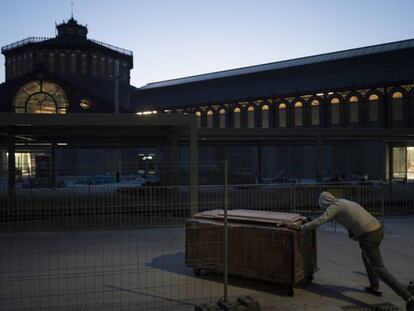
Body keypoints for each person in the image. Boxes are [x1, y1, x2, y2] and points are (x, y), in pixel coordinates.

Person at [288, 191, 414, 311]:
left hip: (368, 235)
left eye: (322, 207)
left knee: (379, 269)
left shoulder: (334, 207)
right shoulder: (342, 202)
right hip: (377, 229)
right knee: (365, 255)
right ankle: (374, 286)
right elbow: (352, 218)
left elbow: (320, 220)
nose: (323, 209)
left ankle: (409, 298)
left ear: (325, 203)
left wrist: (301, 227)